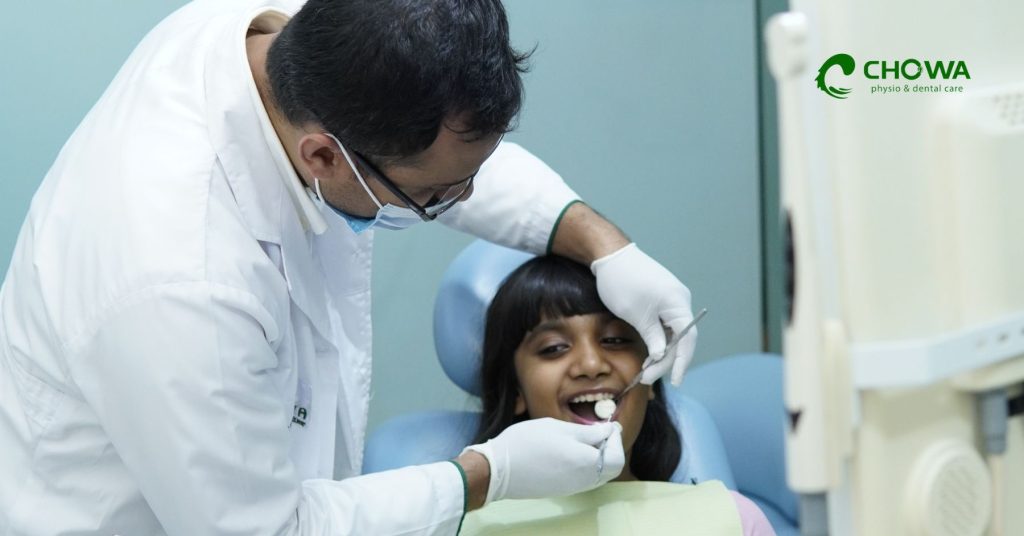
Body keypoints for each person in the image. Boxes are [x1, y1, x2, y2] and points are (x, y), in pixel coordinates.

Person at [0, 0, 698, 534]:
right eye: (433, 199)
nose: (462, 201)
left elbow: (445, 153)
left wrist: (604, 243)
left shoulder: (318, 36)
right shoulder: (180, 280)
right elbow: (268, 529)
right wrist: (490, 476)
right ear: (324, 156)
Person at [464, 255, 774, 535]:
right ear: (516, 390)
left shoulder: (732, 519)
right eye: (554, 348)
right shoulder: (467, 526)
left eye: (614, 340)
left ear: (651, 377)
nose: (591, 365)